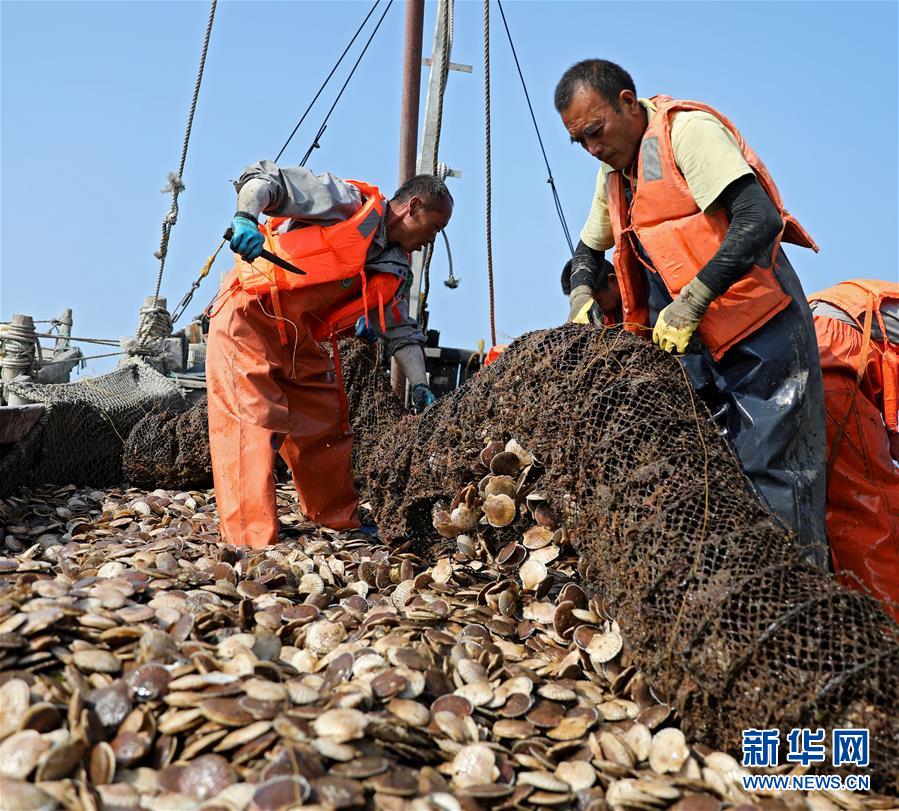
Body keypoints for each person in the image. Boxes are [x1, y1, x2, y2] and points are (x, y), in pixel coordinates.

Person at [554, 59, 827, 566]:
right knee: (710, 477)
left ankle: (797, 593)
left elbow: (758, 218)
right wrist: (581, 294)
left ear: (627, 103)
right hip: (696, 354)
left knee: (773, 476)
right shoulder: (613, 174)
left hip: (761, 338)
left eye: (595, 131)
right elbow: (587, 253)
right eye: (579, 141)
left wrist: (694, 299)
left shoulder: (686, 133)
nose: (591, 148)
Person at [206, 162, 452, 548]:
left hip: (300, 341)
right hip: (249, 320)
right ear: (413, 206)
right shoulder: (347, 203)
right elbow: (264, 180)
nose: (431, 240)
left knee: (324, 424)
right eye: (435, 227)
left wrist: (420, 385)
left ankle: (336, 518)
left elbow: (401, 332)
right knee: (252, 425)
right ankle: (249, 541)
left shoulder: (395, 268)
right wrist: (245, 218)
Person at [808, 280, 899, 618]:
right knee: (872, 506)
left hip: (808, 351)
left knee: (833, 503)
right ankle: (887, 628)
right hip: (838, 361)